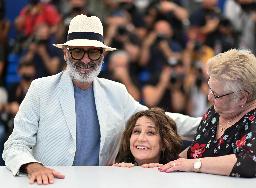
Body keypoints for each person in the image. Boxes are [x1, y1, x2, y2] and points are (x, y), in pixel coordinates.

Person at [2, 14, 201, 185]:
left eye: (94, 51)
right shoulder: (40, 89)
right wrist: (33, 166)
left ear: (103, 55)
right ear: (65, 53)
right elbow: (15, 144)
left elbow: (160, 120)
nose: (86, 59)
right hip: (51, 185)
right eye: (78, 51)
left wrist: (209, 124)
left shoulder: (116, 92)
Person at [159, 49, 256, 177]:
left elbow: (249, 163)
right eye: (210, 89)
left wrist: (194, 165)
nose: (209, 97)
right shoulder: (216, 112)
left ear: (242, 97)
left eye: (216, 95)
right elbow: (195, 150)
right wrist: (166, 165)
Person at [113, 108, 182, 168]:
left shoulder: (177, 173)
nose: (140, 139)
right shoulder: (117, 169)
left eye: (150, 133)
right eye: (137, 131)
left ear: (164, 143)